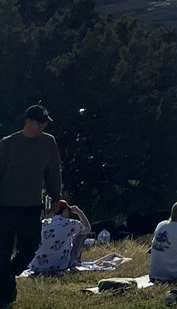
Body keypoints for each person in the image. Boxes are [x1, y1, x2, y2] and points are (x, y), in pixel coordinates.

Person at [0, 104, 63, 308]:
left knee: (30, 247)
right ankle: (5, 297)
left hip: (31, 205)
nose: (45, 126)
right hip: (5, 206)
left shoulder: (48, 143)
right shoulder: (8, 143)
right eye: (43, 122)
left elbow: (53, 171)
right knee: (2, 251)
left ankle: (9, 272)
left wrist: (55, 197)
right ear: (32, 122)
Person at [27, 201, 88, 275]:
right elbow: (87, 228)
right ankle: (74, 261)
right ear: (65, 211)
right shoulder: (71, 223)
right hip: (60, 266)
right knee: (81, 234)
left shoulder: (43, 223)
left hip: (37, 266)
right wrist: (79, 212)